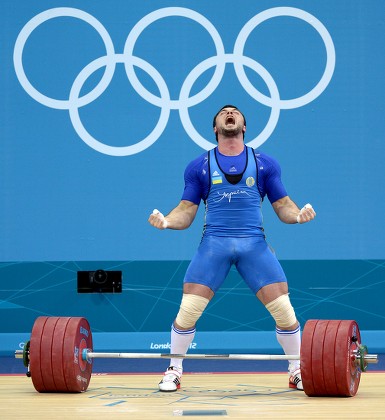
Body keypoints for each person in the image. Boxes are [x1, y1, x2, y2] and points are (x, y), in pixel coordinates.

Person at [148, 104, 316, 392]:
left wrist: (298, 215)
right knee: (188, 310)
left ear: (243, 126)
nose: (230, 113)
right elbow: (185, 211)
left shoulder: (265, 164)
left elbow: (284, 206)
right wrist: (166, 221)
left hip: (254, 245)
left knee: (285, 312)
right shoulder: (199, 166)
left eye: (235, 112)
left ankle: (296, 369)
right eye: (224, 112)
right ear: (216, 128)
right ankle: (174, 370)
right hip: (215, 244)